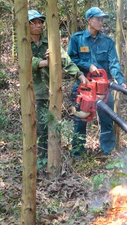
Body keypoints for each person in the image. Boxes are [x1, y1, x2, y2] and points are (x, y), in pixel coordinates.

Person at [28, 9, 89, 159]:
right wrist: (47, 62)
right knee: (38, 128)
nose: (38, 25)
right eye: (34, 23)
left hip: (51, 91)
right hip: (32, 92)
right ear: (27, 25)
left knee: (54, 126)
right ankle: (41, 160)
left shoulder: (49, 41)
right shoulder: (23, 43)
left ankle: (54, 157)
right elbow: (27, 62)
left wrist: (80, 75)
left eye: (40, 22)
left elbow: (65, 60)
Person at [67, 7, 127, 157]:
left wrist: (120, 80)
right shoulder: (77, 39)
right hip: (84, 86)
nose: (101, 22)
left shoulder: (107, 42)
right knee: (80, 119)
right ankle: (78, 153)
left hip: (103, 88)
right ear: (89, 20)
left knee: (107, 118)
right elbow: (71, 60)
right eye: (98, 19)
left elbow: (113, 63)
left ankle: (107, 151)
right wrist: (88, 66)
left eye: (102, 19)